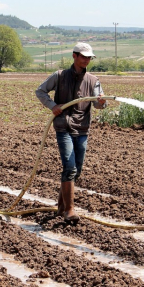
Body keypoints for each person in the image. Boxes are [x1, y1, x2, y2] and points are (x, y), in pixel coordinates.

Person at [35, 42, 107, 223]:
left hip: (82, 129)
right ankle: (69, 210)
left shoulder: (93, 80)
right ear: (74, 56)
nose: (87, 60)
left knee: (77, 170)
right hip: (63, 127)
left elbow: (98, 104)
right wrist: (53, 106)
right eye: (84, 57)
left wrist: (102, 102)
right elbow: (40, 91)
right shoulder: (59, 76)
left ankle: (61, 207)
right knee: (70, 167)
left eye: (89, 58)